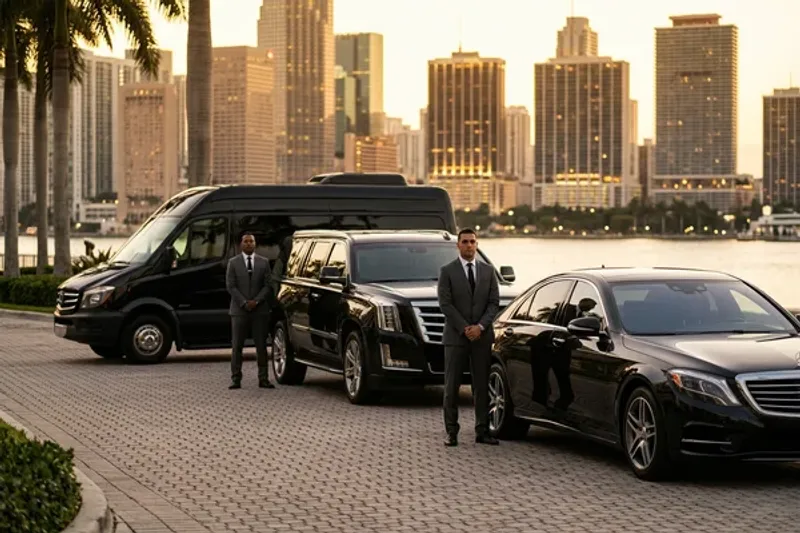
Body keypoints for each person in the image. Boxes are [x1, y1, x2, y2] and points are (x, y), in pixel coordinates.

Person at [437, 228, 500, 447]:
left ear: (477, 244)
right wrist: (466, 328)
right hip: (456, 337)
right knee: (451, 386)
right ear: (458, 245)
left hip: (482, 337)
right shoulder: (447, 271)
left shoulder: (488, 271)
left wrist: (481, 327)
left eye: (472, 241)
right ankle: (451, 432)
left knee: (481, 386)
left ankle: (482, 430)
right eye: (465, 242)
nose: (469, 245)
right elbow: (445, 305)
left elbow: (493, 303)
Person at [226, 233, 275, 390]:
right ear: (241, 244)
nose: (248, 244)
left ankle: (263, 378)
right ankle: (235, 379)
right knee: (237, 346)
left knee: (261, 346)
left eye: (251, 241)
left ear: (255, 244)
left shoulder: (263, 262)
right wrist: (243, 302)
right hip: (239, 311)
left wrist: (257, 301)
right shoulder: (233, 263)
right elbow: (231, 286)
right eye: (245, 241)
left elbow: (268, 285)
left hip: (259, 311)